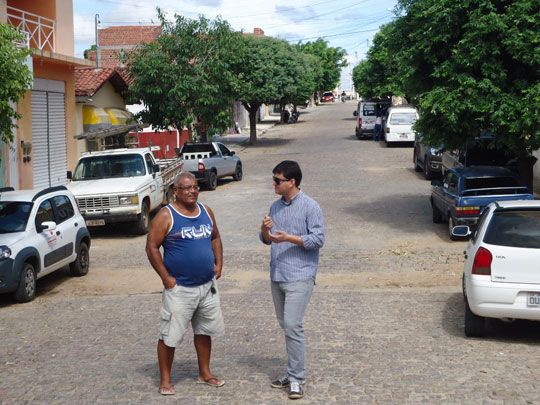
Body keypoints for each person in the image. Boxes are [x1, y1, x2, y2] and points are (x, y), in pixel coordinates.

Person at [146, 172, 225, 396]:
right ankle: (165, 379)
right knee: (170, 335)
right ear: (175, 191)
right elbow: (151, 248)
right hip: (179, 288)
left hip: (206, 286)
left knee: (204, 331)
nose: (192, 191)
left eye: (195, 187)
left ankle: (205, 373)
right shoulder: (165, 215)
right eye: (187, 188)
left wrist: (219, 263)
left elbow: (215, 237)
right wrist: (166, 279)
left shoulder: (206, 211)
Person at [260, 161, 325, 400]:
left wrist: (291, 238)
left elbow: (318, 239)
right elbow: (266, 239)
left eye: (278, 180)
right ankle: (291, 372)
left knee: (292, 325)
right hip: (277, 275)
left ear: (292, 182)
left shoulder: (311, 207)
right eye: (274, 179)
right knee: (286, 326)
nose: (274, 184)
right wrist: (264, 229)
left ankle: (297, 378)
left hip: (300, 275)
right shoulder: (275, 207)